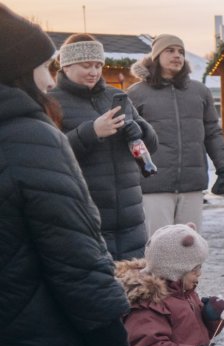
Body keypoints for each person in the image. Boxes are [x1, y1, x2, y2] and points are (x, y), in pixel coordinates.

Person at [0, 4, 137, 346]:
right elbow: (80, 270)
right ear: (19, 69)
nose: (48, 77)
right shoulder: (29, 137)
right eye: (44, 65)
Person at [49, 33, 159, 259]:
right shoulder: (51, 102)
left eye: (98, 65)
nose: (94, 72)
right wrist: (92, 132)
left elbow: (152, 144)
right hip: (86, 215)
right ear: (67, 65)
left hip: (130, 215)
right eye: (86, 65)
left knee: (134, 277)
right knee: (97, 277)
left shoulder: (116, 96)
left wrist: (139, 130)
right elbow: (48, 156)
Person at [128, 34, 224, 235]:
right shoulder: (136, 93)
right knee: (159, 244)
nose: (177, 56)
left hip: (192, 184)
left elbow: (213, 133)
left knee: (190, 244)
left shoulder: (200, 92)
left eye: (181, 52)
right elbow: (129, 140)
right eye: (170, 51)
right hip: (154, 185)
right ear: (156, 56)